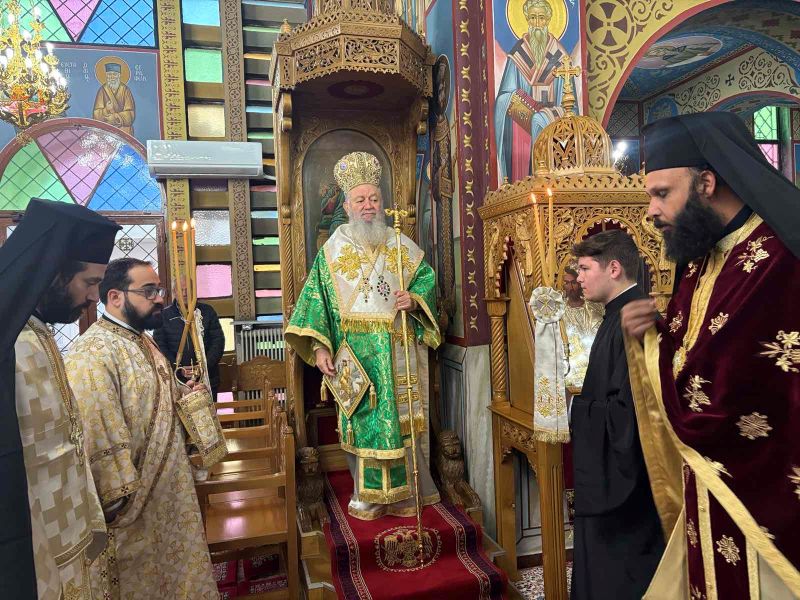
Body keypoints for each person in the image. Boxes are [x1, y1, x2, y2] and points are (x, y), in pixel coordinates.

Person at [621, 112, 800, 598]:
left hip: (766, 492)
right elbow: (693, 351)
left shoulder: (777, 258)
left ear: (705, 183)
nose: (651, 211)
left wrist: (652, 347)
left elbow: (725, 392)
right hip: (710, 483)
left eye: (662, 194)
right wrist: (653, 334)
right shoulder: (702, 258)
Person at [285, 151, 442, 520]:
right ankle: (368, 497)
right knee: (364, 422)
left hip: (398, 352)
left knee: (403, 424)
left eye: (374, 198)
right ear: (347, 205)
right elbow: (316, 304)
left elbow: (426, 280)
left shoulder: (399, 243)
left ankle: (407, 495)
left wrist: (414, 300)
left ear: (382, 203)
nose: (368, 206)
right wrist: (320, 348)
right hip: (355, 358)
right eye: (360, 200)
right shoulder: (331, 252)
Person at [64, 258, 217, 599]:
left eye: (158, 290)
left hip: (169, 495)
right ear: (115, 297)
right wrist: (120, 505)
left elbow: (155, 400)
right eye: (149, 291)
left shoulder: (143, 341)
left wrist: (187, 395)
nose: (160, 298)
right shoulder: (93, 354)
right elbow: (97, 435)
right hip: (133, 512)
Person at [0, 198, 119, 599]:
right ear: (53, 271)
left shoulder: (37, 331)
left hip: (67, 531)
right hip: (28, 539)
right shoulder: (9, 342)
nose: (95, 297)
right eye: (89, 282)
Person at [570, 230, 665, 600]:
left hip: (629, 492)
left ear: (613, 268)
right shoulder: (617, 314)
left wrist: (574, 410)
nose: (578, 277)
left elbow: (633, 415)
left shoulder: (636, 319)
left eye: (584, 268)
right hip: (613, 476)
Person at [493, 0, 577, 181]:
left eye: (541, 18)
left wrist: (544, 115)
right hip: (522, 131)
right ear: (526, 20)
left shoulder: (561, 57)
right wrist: (520, 104)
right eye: (532, 18)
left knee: (541, 120)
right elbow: (504, 97)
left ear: (548, 20)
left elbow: (571, 106)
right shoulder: (518, 54)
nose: (537, 23)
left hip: (554, 125)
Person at [153, 279, 225, 400]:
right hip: (177, 379)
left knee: (208, 411)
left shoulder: (207, 312)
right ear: (175, 292)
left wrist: (204, 366)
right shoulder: (164, 315)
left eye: (188, 290)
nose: (185, 293)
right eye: (181, 290)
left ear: (194, 291)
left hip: (208, 376)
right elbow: (160, 346)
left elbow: (218, 342)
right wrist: (178, 368)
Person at [562, 265, 603, 390]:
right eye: (567, 283)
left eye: (574, 283)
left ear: (579, 283)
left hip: (595, 361)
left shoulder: (595, 307)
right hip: (571, 366)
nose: (571, 287)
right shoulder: (560, 312)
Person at [93, 61, 135, 135]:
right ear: (106, 76)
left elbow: (130, 114)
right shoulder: (102, 90)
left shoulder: (125, 90)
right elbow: (96, 114)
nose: (112, 77)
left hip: (123, 130)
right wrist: (106, 110)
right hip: (107, 130)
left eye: (114, 74)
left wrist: (115, 117)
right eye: (109, 74)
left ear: (119, 76)